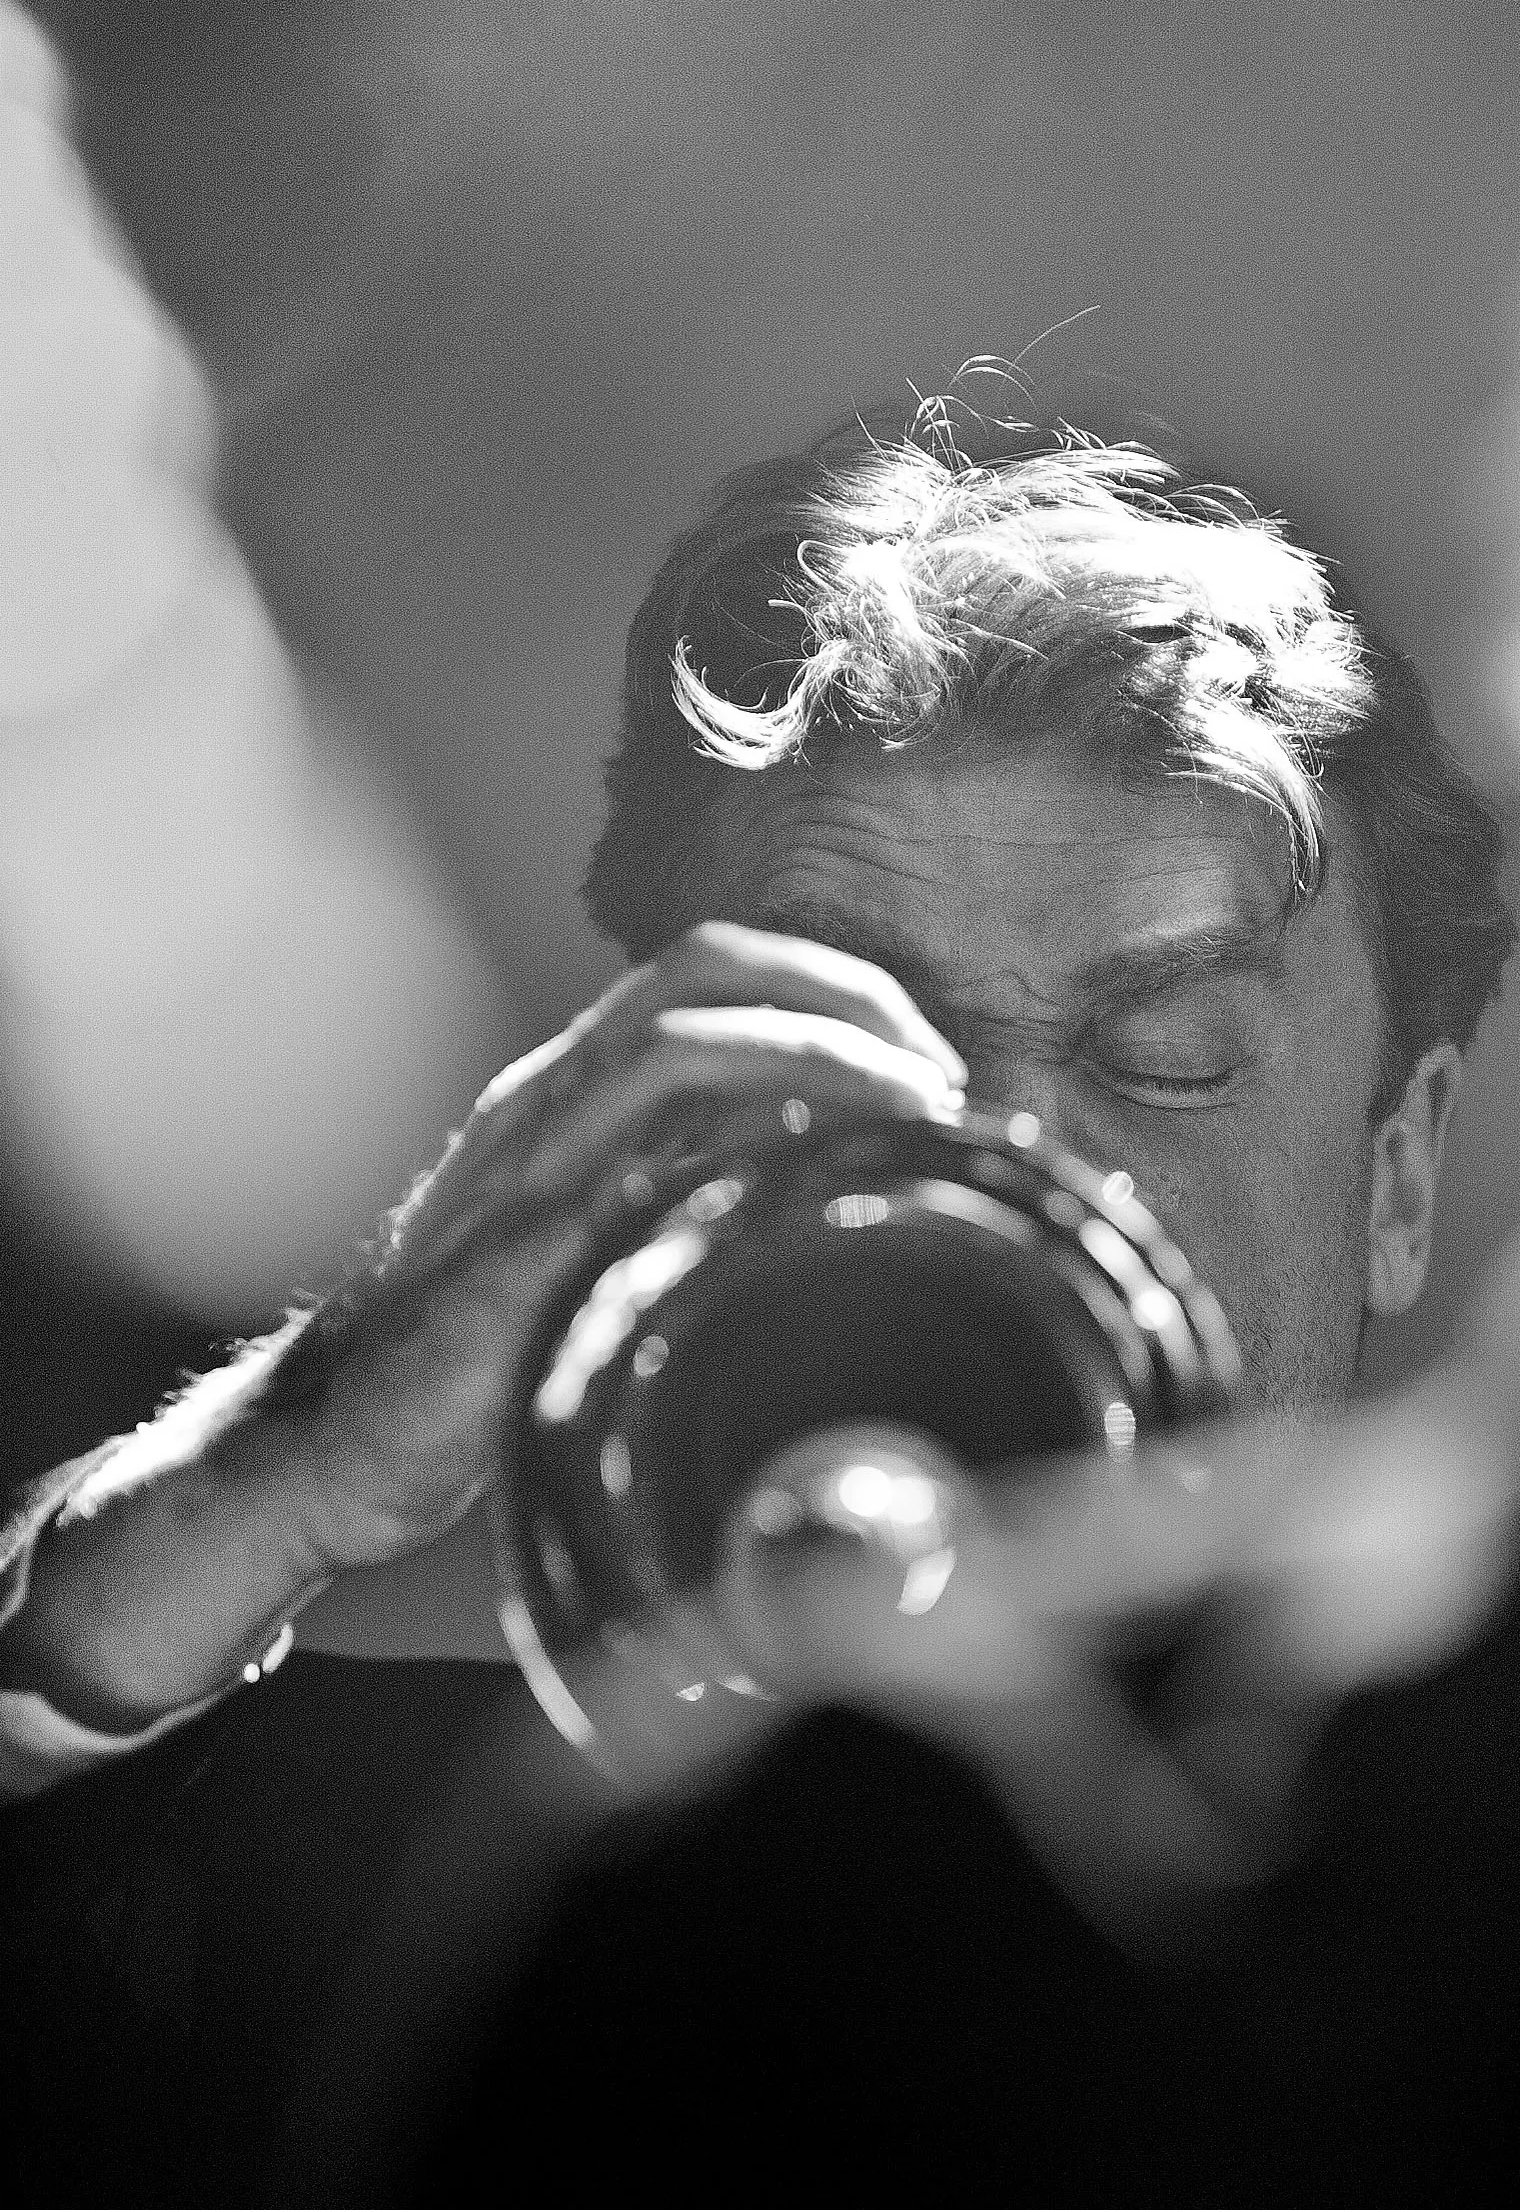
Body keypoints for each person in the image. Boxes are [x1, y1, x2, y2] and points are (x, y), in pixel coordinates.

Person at [3, 388, 1518, 2204]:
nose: (1001, 1157)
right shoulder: (350, 1886)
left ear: (1399, 1175)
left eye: (1165, 1056)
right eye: (867, 1036)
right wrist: (277, 1465)